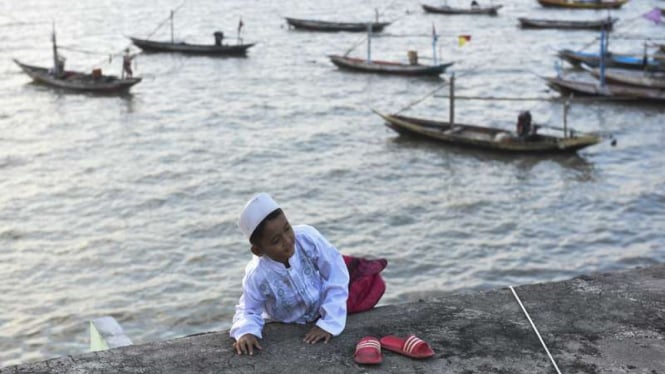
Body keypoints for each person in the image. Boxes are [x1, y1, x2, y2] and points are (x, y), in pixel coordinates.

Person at [230, 193, 351, 356]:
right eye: (275, 241)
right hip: (286, 322)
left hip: (321, 305)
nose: (287, 241)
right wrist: (246, 332)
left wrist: (329, 322)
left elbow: (336, 273)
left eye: (287, 228)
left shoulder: (307, 238)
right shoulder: (257, 275)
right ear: (258, 250)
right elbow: (249, 309)